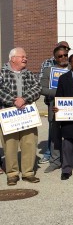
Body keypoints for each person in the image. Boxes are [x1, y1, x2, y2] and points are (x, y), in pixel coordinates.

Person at [0, 48, 42, 186]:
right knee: (10, 145)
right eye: (22, 56)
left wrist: (24, 99)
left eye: (26, 56)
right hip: (9, 115)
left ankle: (28, 173)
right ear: (13, 58)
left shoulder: (29, 74)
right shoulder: (2, 72)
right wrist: (13, 101)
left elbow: (37, 88)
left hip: (27, 115)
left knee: (29, 143)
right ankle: (12, 174)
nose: (25, 59)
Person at [38, 41, 71, 164]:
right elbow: (41, 89)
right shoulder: (48, 70)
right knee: (55, 135)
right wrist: (58, 92)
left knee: (71, 134)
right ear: (55, 58)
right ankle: (55, 160)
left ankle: (70, 159)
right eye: (60, 56)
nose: (63, 58)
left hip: (71, 107)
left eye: (65, 55)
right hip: (55, 107)